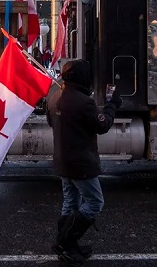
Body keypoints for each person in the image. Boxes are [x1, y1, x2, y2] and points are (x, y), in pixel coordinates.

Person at [46, 59, 122, 265]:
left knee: (70, 202)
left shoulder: (53, 98)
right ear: (82, 77)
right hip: (81, 163)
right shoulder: (84, 102)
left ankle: (68, 246)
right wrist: (112, 104)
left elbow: (51, 121)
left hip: (63, 160)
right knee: (95, 202)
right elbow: (103, 124)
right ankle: (65, 242)